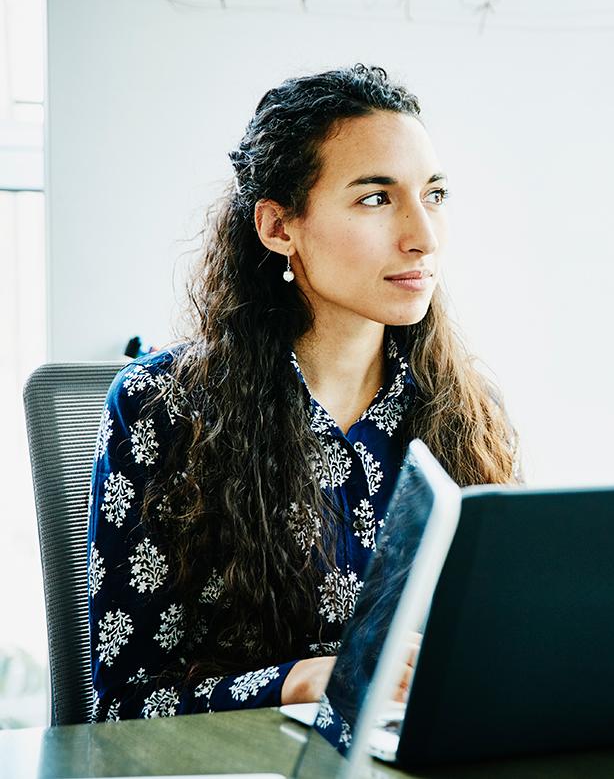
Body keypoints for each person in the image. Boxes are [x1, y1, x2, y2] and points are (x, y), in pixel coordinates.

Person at [87, 63, 521, 722]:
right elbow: (125, 706)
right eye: (376, 198)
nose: (424, 237)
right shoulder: (161, 406)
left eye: (434, 195)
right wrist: (295, 683)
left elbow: (506, 644)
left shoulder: (466, 407)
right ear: (278, 228)